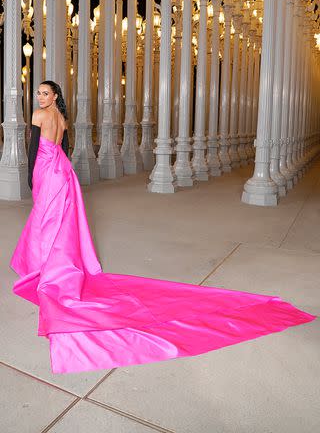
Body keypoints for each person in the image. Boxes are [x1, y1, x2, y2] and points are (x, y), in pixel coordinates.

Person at [10, 81, 316, 375]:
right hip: (63, 172)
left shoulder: (39, 115)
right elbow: (64, 146)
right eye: (38, 93)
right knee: (60, 223)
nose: (39, 97)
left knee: (46, 220)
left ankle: (45, 269)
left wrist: (31, 178)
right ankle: (52, 265)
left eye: (44, 93)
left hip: (47, 170)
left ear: (53, 96)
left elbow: (36, 148)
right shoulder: (61, 117)